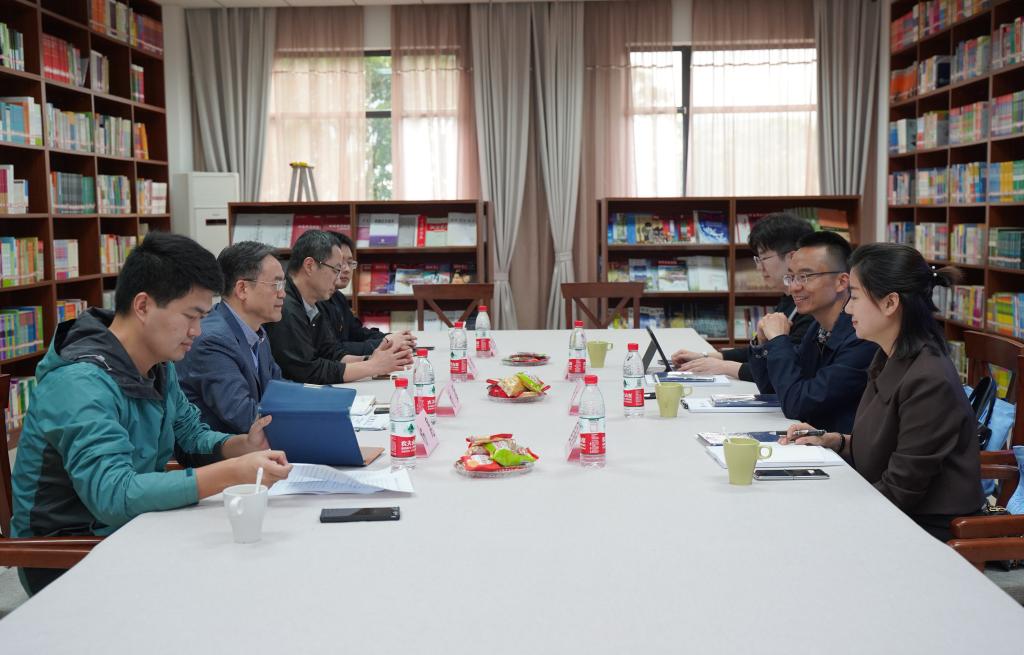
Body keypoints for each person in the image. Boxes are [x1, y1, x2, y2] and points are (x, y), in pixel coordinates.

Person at [10, 233, 292, 595]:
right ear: (143, 306)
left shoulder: (158, 364)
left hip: (135, 528)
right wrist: (231, 473)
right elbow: (113, 494)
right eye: (190, 316)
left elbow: (190, 435)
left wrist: (240, 445)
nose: (197, 332)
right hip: (69, 556)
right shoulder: (79, 382)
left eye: (203, 317)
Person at [780, 244, 983, 541]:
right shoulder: (890, 355)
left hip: (925, 531)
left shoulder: (928, 380)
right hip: (886, 506)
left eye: (855, 297)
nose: (848, 308)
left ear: (890, 303)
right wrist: (835, 441)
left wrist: (830, 515)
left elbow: (901, 490)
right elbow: (887, 446)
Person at [747, 231, 877, 433]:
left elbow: (797, 404)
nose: (794, 287)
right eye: (791, 277)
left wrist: (779, 340)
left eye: (805, 277)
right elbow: (773, 389)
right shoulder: (818, 327)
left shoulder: (861, 337)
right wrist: (762, 344)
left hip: (843, 450)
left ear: (842, 282)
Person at [672, 212, 814, 380]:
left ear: (792, 257)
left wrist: (723, 367)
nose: (759, 267)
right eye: (757, 259)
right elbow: (764, 354)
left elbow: (786, 368)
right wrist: (707, 356)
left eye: (764, 258)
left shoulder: (810, 307)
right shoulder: (788, 299)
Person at [266, 230, 412, 384]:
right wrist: (372, 366)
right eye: (335, 269)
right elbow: (307, 372)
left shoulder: (312, 303)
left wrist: (374, 360)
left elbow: (330, 353)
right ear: (310, 266)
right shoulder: (285, 307)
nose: (338, 278)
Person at [176, 241, 285, 440]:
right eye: (276, 284)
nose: (283, 293)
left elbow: (279, 388)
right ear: (242, 289)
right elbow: (244, 417)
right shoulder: (212, 340)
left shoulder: (257, 331)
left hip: (256, 446)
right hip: (221, 452)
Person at [320, 231, 416, 357]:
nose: (347, 269)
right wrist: (387, 342)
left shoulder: (338, 297)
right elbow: (334, 349)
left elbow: (358, 333)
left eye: (350, 263)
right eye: (340, 263)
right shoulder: (316, 300)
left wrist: (391, 337)